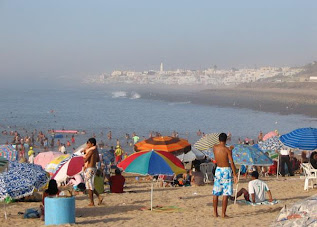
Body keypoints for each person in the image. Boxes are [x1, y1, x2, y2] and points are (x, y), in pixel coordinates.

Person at [212, 133, 238, 218]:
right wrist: (235, 174)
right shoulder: (227, 150)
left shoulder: (214, 147)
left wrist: (229, 149)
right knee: (225, 193)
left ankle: (215, 213)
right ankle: (223, 214)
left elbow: (220, 151)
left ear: (219, 139)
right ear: (226, 140)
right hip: (226, 170)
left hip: (218, 170)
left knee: (216, 192)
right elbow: (231, 162)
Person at [83, 138, 103, 206]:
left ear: (92, 144)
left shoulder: (91, 151)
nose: (87, 144)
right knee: (90, 185)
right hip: (93, 168)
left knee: (89, 186)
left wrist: (83, 154)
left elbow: (85, 160)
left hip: (89, 168)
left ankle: (92, 201)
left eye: (88, 143)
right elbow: (97, 160)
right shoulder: (96, 150)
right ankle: (99, 197)